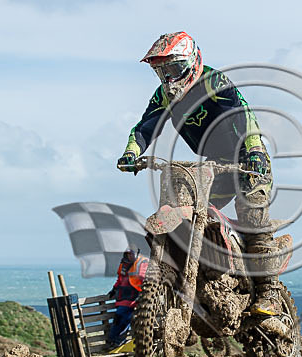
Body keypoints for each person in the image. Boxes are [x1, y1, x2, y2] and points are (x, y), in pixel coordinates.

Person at [116, 31, 280, 316]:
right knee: (185, 212)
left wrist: (254, 151)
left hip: (246, 160)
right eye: (161, 71)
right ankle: (186, 289)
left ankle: (269, 292)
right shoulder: (165, 96)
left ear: (192, 62)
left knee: (251, 212)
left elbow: (242, 115)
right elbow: (145, 127)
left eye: (174, 69)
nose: (168, 78)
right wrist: (132, 152)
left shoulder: (214, 82)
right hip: (213, 166)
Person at [108, 249, 149, 347]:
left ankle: (118, 341)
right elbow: (120, 279)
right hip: (122, 296)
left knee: (125, 318)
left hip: (134, 296)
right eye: (128, 254)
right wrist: (114, 289)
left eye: (131, 253)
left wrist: (143, 293)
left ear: (137, 253)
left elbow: (145, 279)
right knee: (118, 318)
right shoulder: (123, 264)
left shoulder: (142, 262)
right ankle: (113, 341)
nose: (130, 256)